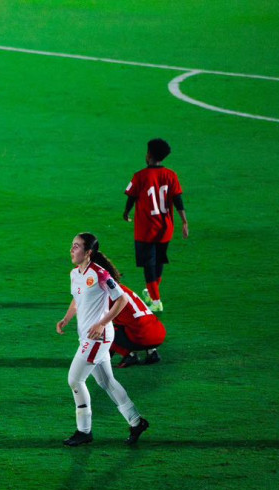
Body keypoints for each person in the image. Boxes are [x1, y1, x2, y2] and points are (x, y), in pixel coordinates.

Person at [55, 233, 150, 446]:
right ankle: (136, 422)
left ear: (88, 252)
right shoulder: (75, 273)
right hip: (87, 336)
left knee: (75, 379)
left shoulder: (100, 274)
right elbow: (77, 299)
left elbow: (122, 299)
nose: (72, 250)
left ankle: (84, 431)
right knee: (106, 381)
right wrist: (66, 319)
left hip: (98, 337)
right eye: (72, 245)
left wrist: (101, 323)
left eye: (77, 246)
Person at [123, 138, 189, 312]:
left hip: (146, 229)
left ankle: (156, 301)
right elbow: (178, 200)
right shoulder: (171, 175)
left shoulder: (140, 176)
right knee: (159, 261)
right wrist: (184, 221)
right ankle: (151, 291)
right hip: (165, 228)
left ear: (149, 155)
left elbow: (131, 197)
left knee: (148, 265)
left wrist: (126, 212)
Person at [110, 284, 166, 368]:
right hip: (159, 333)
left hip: (142, 337)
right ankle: (152, 352)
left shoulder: (107, 293)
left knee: (103, 330)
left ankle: (130, 355)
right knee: (135, 324)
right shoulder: (124, 289)